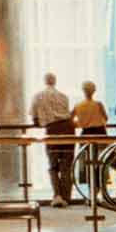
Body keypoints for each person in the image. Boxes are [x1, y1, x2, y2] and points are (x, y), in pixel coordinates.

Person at [31, 72, 74, 207]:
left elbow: (34, 117)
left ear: (45, 81)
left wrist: (41, 121)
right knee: (66, 165)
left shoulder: (38, 96)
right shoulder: (63, 96)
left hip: (52, 130)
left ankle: (57, 195)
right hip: (68, 129)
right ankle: (67, 197)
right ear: (55, 81)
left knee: (53, 165)